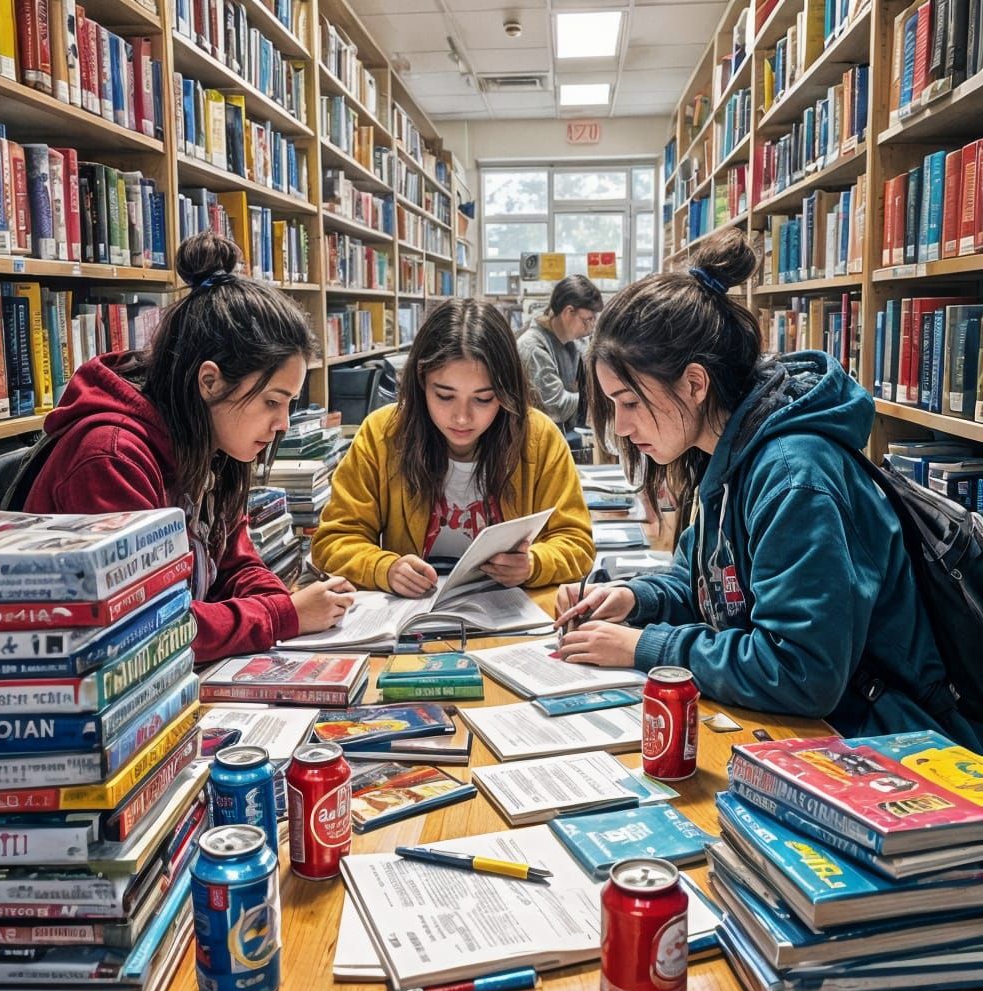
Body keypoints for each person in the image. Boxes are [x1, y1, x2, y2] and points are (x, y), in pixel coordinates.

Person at [553, 229, 981, 749]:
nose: (621, 426)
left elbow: (801, 669)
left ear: (694, 384)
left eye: (630, 402)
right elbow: (707, 584)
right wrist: (633, 599)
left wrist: (646, 647)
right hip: (827, 729)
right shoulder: (723, 451)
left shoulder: (793, 475)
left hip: (892, 744)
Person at [24, 232, 355, 663]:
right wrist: (282, 616)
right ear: (210, 382)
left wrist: (283, 606)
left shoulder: (213, 442)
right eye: (272, 402)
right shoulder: (111, 458)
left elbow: (236, 563)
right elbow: (148, 627)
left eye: (290, 403)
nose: (283, 424)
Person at [312, 298, 595, 595]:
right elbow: (333, 541)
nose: (462, 418)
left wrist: (534, 564)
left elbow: (577, 543)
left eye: (483, 399)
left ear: (506, 391)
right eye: (445, 396)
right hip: (412, 612)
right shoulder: (382, 434)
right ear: (421, 381)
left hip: (513, 611)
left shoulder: (538, 437)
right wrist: (383, 567)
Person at [517, 275, 603, 440]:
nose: (591, 328)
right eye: (587, 320)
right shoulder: (534, 348)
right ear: (568, 312)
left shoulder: (570, 343)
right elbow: (556, 407)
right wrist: (598, 398)